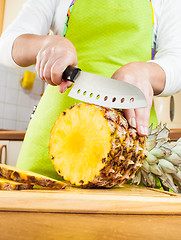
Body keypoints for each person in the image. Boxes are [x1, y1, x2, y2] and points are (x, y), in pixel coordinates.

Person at [0, 0, 181, 179]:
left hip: (129, 150)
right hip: (51, 143)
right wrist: (45, 44)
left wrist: (146, 72)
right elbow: (6, 44)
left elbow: (176, 60)